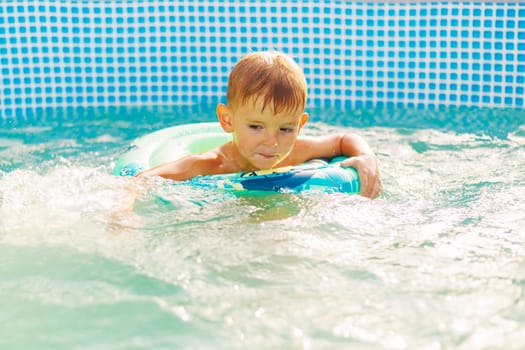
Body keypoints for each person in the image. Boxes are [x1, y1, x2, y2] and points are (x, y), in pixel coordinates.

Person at [138, 51, 382, 198]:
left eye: (285, 129)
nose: (272, 141)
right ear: (227, 119)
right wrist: (124, 215)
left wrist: (365, 156)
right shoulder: (213, 164)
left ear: (299, 125)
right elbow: (141, 180)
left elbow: (343, 140)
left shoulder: (296, 150)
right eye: (256, 126)